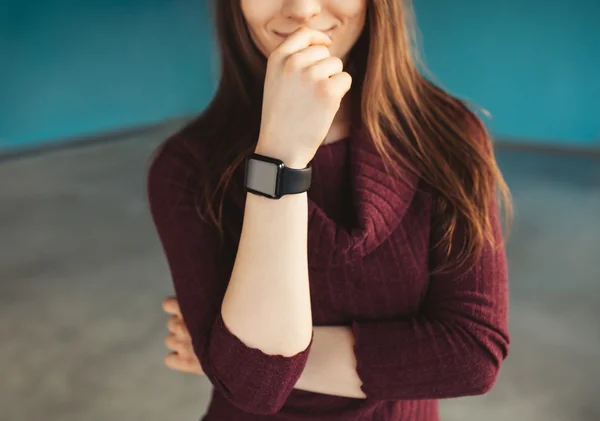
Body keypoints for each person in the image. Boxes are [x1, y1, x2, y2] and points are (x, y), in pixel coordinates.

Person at [147, 0, 512, 420]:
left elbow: (471, 357)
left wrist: (225, 354)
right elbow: (253, 384)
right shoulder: (188, 167)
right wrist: (281, 152)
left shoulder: (449, 136)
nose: (302, 9)